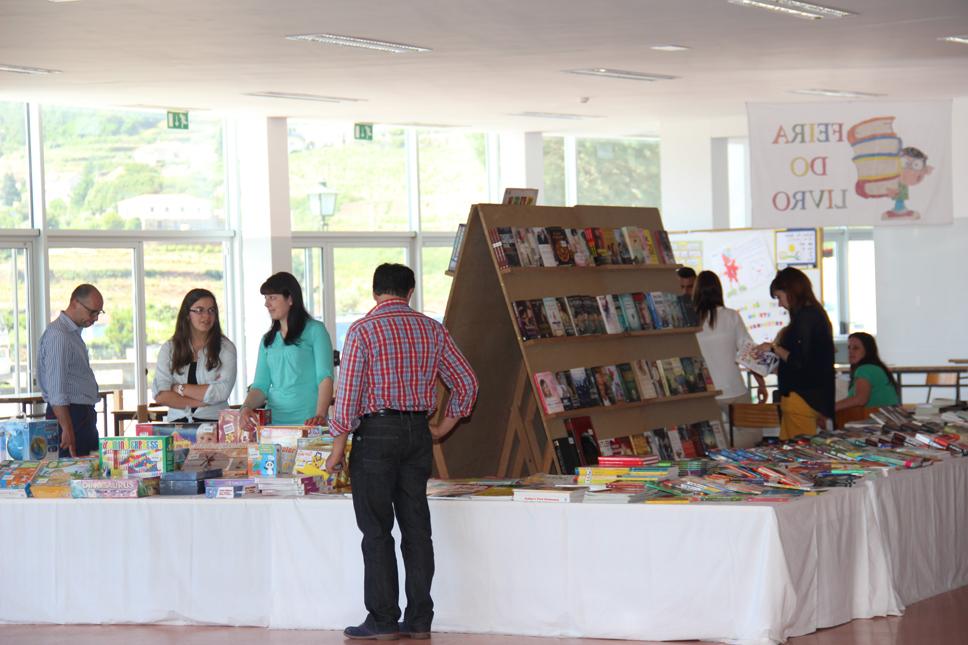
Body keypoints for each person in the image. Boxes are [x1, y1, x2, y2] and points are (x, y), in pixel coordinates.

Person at [325, 263, 478, 641]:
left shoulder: (362, 331)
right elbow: (468, 383)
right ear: (409, 292)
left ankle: (382, 618)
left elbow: (348, 398)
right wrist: (444, 425)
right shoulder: (432, 329)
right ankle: (419, 619)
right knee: (416, 528)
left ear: (375, 291)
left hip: (376, 433)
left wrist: (338, 446)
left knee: (376, 529)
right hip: (416, 434)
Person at [240, 272, 334, 428]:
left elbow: (325, 377)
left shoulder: (315, 330)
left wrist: (320, 414)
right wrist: (246, 408)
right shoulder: (267, 340)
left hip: (309, 422)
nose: (267, 304)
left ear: (290, 299)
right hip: (274, 425)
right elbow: (260, 385)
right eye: (265, 298)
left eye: (273, 297)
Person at [758, 267, 835, 440]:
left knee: (800, 455)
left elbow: (799, 361)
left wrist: (774, 348)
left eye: (779, 297)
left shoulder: (805, 319)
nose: (780, 304)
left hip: (800, 398)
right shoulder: (816, 314)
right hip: (811, 397)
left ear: (791, 292)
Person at [38, 284, 104, 457]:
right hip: (69, 416)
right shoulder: (59, 335)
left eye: (99, 313)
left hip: (81, 414)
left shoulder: (72, 333)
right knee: (72, 476)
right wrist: (67, 428)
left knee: (89, 475)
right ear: (75, 303)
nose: (96, 318)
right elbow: (56, 389)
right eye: (92, 312)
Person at [152, 288, 237, 423]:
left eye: (211, 310)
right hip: (178, 427)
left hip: (214, 425)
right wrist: (200, 402)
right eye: (199, 310)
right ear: (187, 314)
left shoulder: (226, 348)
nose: (206, 316)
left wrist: (178, 388)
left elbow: (221, 392)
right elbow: (161, 395)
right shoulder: (169, 348)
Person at [693, 271, 768, 419]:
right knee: (747, 438)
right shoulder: (732, 316)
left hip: (706, 394)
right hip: (735, 389)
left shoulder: (691, 321)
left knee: (715, 441)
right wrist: (761, 384)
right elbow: (749, 352)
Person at [835, 332, 899, 411]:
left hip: (876, 420)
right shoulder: (875, 367)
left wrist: (830, 409)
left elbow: (860, 399)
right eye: (849, 347)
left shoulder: (865, 369)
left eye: (856, 348)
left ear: (868, 350)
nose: (850, 351)